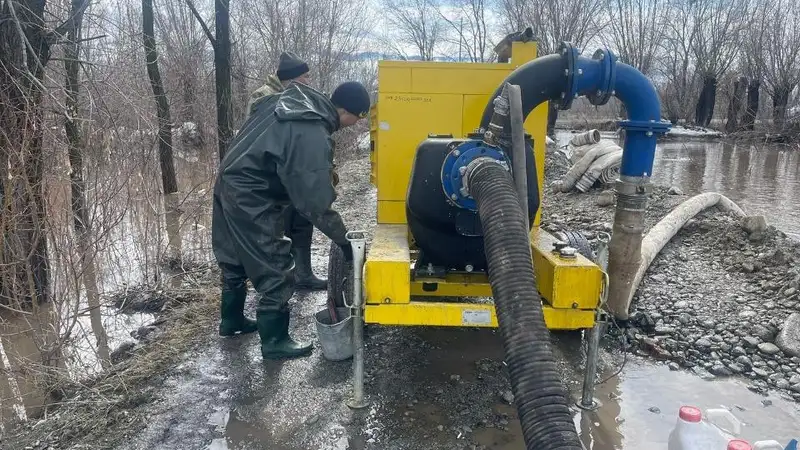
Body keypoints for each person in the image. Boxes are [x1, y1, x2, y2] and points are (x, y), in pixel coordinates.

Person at [212, 80, 370, 360]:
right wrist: (344, 240)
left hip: (228, 179)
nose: (355, 124)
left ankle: (232, 320)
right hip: (252, 193)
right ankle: (275, 341)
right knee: (275, 262)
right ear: (343, 110)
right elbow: (314, 203)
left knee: (234, 256)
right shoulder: (310, 128)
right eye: (357, 118)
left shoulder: (286, 102)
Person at [248, 51, 331, 291]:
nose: (308, 81)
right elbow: (261, 138)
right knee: (278, 229)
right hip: (273, 176)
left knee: (303, 222)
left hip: (294, 173)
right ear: (293, 78)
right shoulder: (262, 97)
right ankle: (277, 281)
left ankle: (304, 274)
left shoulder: (297, 97)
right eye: (305, 77)